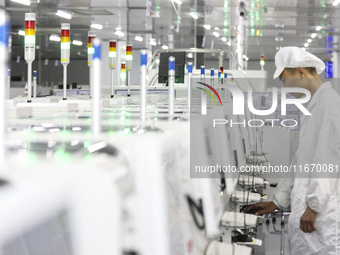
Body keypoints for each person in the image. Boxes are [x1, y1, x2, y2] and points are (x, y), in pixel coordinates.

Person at [246, 47, 340, 255]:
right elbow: (301, 160)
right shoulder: (313, 106)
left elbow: (328, 159)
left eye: (284, 79)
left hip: (320, 217)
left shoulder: (329, 104)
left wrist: (314, 207)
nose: (284, 86)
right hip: (309, 214)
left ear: (300, 72)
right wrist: (277, 200)